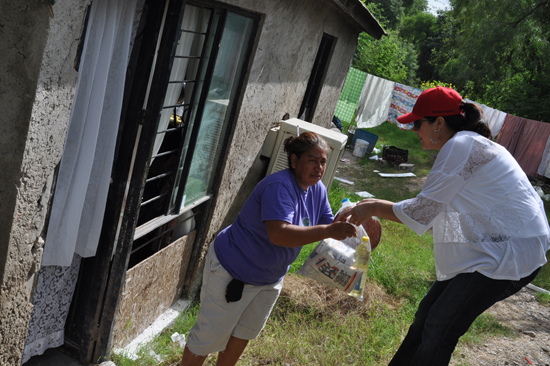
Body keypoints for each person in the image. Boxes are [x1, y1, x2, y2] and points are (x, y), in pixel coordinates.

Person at [339, 86, 550, 366]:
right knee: (427, 314)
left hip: (510, 252)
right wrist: (375, 203)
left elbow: (422, 212)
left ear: (439, 123)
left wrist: (373, 206)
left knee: (440, 327)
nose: (415, 130)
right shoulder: (467, 144)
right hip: (495, 242)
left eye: (418, 123)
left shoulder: (461, 145)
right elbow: (435, 212)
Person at [180, 131, 357, 366]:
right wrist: (328, 231)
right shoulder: (279, 186)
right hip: (233, 271)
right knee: (207, 338)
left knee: (243, 334)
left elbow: (328, 226)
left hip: (269, 278)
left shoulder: (318, 190)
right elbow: (279, 234)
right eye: (312, 160)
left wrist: (353, 228)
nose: (319, 168)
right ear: (294, 161)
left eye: (323, 161)